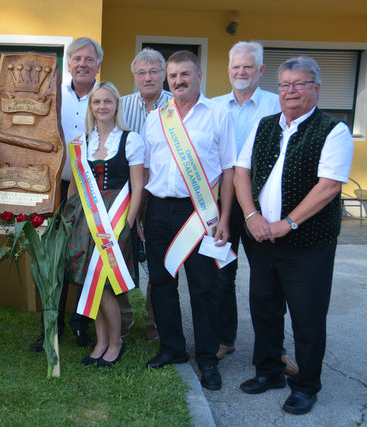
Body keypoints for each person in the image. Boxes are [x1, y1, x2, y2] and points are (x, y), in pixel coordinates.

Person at [235, 56, 353, 415]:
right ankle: (269, 371)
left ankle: (306, 385)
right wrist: (252, 215)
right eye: (285, 84)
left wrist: (287, 223)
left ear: (316, 88)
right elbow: (241, 172)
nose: (291, 91)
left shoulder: (334, 129)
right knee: (264, 309)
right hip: (262, 238)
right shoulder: (264, 125)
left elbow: (328, 187)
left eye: (300, 84)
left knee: (307, 316)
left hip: (308, 244)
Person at [142, 51, 236, 391]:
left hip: (199, 211)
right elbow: (149, 169)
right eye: (173, 75)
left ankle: (208, 359)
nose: (178, 80)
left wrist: (224, 217)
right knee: (162, 282)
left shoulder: (217, 114)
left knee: (204, 287)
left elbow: (229, 169)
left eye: (185, 74)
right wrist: (142, 215)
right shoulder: (157, 117)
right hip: (158, 210)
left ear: (198, 75)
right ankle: (173, 348)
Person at [210, 41, 291, 363]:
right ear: (228, 70)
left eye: (248, 67)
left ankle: (275, 349)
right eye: (235, 67)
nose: (240, 72)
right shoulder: (214, 106)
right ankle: (223, 339)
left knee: (268, 281)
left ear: (260, 70)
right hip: (222, 207)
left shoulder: (277, 105)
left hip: (265, 209)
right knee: (221, 276)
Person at [30, 37, 102, 352]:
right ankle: (51, 327)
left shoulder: (105, 97)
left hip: (94, 189)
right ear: (68, 64)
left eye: (89, 59)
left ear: (98, 64)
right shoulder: (52, 95)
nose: (82, 64)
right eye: (77, 59)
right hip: (55, 187)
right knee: (52, 258)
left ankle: (81, 323)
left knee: (86, 256)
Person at [64, 81, 144, 367]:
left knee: (107, 285)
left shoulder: (131, 139)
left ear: (116, 105)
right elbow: (75, 184)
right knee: (90, 281)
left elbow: (138, 186)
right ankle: (100, 341)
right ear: (91, 107)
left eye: (107, 102)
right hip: (87, 218)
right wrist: (71, 219)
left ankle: (116, 341)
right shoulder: (81, 141)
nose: (102, 107)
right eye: (97, 102)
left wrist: (129, 224)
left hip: (116, 220)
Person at [121, 47, 173, 342]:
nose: (148, 77)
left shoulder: (176, 106)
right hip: (123, 192)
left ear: (164, 75)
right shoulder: (121, 105)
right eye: (142, 72)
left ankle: (154, 318)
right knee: (121, 253)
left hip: (159, 193)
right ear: (134, 76)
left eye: (154, 71)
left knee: (159, 258)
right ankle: (124, 314)